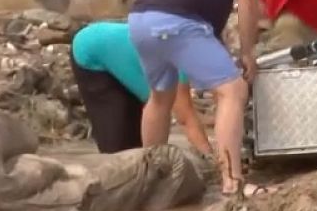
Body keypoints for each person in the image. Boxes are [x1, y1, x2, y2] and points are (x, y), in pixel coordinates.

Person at [128, 0, 260, 195]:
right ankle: (233, 182)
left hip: (140, 20)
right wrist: (248, 51)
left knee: (160, 98)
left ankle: (152, 182)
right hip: (180, 24)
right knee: (233, 90)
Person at [70, 21, 211, 155]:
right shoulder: (178, 62)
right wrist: (212, 160)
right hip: (90, 52)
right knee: (119, 150)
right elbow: (186, 118)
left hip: (118, 50)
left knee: (137, 143)